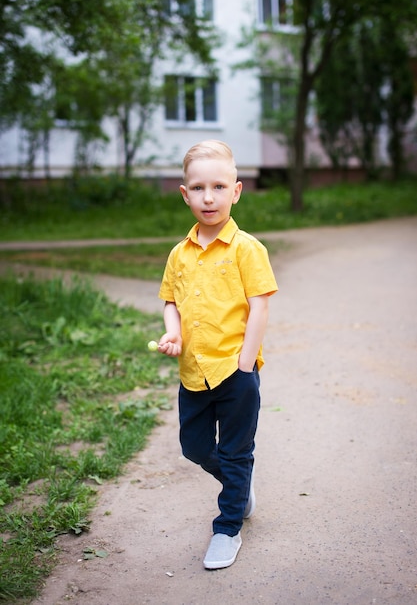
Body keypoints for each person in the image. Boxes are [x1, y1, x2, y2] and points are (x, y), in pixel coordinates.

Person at [157, 140, 278, 570]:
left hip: (236, 371)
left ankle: (227, 527)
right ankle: (239, 488)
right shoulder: (179, 253)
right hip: (193, 372)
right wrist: (173, 332)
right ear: (185, 194)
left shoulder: (247, 248)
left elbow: (260, 304)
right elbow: (171, 300)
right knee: (194, 447)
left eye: (219, 187)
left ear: (237, 191)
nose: (209, 197)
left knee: (235, 451)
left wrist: (246, 364)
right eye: (199, 188)